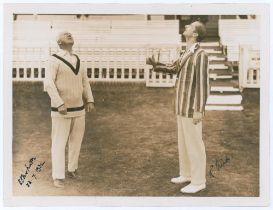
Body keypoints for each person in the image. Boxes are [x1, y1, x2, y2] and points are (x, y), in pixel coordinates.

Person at [146, 21, 209, 193]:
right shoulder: (186, 52)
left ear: (195, 34)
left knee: (195, 144)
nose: (186, 26)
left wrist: (199, 109)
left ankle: (198, 181)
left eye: (190, 26)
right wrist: (155, 65)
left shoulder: (200, 54)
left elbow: (203, 84)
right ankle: (187, 174)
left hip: (191, 108)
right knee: (184, 143)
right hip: (181, 106)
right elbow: (174, 67)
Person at [44, 32, 95, 188]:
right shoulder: (53, 60)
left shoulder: (78, 59)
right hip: (62, 111)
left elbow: (85, 82)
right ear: (59, 43)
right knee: (59, 143)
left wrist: (90, 99)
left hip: (79, 109)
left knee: (76, 142)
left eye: (70, 34)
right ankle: (58, 176)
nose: (69, 34)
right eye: (65, 35)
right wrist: (59, 103)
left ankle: (72, 169)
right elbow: (48, 83)